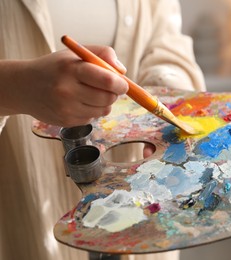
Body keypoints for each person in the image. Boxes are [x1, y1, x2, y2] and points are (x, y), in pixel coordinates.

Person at [0, 0, 205, 260]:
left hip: (145, 219)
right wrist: (15, 86)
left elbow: (166, 43)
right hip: (24, 211)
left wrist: (165, 94)